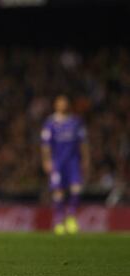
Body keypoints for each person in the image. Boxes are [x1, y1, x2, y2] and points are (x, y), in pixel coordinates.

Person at [41, 94, 90, 235]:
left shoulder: (76, 122)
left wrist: (86, 160)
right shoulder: (50, 123)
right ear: (55, 105)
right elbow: (45, 145)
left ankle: (71, 217)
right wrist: (46, 160)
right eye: (60, 102)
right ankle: (58, 220)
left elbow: (83, 143)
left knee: (76, 189)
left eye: (65, 102)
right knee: (58, 192)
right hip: (57, 162)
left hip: (73, 161)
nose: (63, 105)